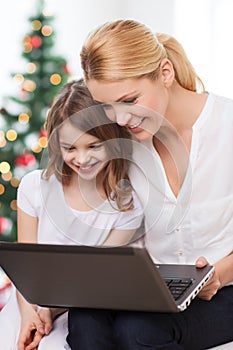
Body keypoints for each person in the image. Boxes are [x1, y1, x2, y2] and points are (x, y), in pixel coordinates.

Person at [66, 20, 233, 349]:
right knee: (84, 319)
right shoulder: (125, 144)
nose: (121, 119)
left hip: (224, 289)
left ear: (165, 72)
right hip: (153, 289)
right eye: (108, 108)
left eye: (130, 100)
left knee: (137, 330)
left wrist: (221, 273)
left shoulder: (227, 127)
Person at [0, 79, 144, 350]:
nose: (82, 158)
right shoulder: (35, 188)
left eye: (93, 146)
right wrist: (30, 312)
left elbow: (94, 282)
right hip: (28, 304)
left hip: (80, 309)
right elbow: (25, 270)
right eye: (70, 148)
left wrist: (50, 312)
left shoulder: (126, 204)